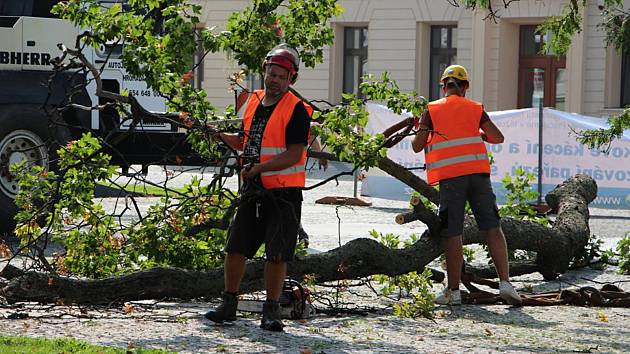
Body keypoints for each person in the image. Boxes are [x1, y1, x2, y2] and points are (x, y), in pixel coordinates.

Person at [205, 44, 311, 331]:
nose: (273, 79)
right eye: (270, 73)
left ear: (291, 79)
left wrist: (260, 168)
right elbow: (246, 141)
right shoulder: (253, 102)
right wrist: (221, 137)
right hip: (253, 188)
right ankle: (229, 304)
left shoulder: (297, 110)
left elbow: (293, 154)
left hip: (284, 192)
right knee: (235, 248)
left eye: (279, 76)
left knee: (277, 254)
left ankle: (272, 310)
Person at [411, 64, 522, 306]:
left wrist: (423, 128)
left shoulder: (431, 110)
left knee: (453, 233)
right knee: (493, 227)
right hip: (478, 176)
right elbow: (497, 138)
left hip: (452, 179)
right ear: (465, 87)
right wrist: (477, 135)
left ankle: (454, 291)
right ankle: (505, 283)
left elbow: (417, 146)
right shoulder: (475, 109)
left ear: (443, 87)